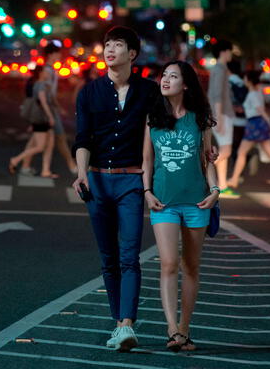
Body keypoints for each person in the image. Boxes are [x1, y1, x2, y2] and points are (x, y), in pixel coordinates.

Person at [72, 26, 159, 352]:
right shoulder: (89, 92)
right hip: (96, 180)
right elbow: (82, 139)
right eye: (107, 44)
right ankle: (118, 323)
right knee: (108, 258)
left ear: (132, 54)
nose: (110, 50)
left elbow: (165, 130)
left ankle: (127, 324)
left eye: (117, 45)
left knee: (129, 256)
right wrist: (81, 173)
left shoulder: (149, 92)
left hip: (131, 181)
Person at [142, 61, 219, 352]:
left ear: (185, 84)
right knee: (168, 263)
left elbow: (207, 161)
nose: (165, 80)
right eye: (164, 75)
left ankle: (185, 330)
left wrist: (215, 191)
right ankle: (172, 329)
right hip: (163, 202)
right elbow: (147, 161)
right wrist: (147, 191)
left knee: (191, 266)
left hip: (197, 202)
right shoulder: (153, 117)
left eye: (173, 76)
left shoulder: (200, 119)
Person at [20, 42, 77, 177]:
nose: (60, 56)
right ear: (51, 54)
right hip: (48, 110)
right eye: (58, 53)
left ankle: (25, 166)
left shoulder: (50, 69)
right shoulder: (47, 71)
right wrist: (55, 108)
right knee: (59, 138)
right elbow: (47, 93)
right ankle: (71, 166)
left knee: (37, 138)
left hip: (48, 109)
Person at [228, 70, 270, 189]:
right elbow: (257, 110)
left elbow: (260, 110)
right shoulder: (256, 93)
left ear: (249, 81)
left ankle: (234, 179)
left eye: (245, 78)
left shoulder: (253, 94)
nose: (244, 81)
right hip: (258, 124)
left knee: (242, 152)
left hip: (254, 124)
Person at [8, 65, 57, 176]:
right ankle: (15, 160)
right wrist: (50, 117)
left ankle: (46, 170)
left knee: (48, 144)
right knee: (40, 146)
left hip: (41, 119)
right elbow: (43, 103)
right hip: (41, 119)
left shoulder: (40, 85)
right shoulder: (40, 86)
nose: (47, 73)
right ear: (40, 73)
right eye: (45, 71)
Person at [207, 40, 239, 198]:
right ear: (224, 52)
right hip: (222, 114)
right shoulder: (220, 69)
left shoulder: (220, 69)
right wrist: (218, 117)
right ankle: (206, 179)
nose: (231, 54)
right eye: (230, 51)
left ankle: (222, 185)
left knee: (223, 150)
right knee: (226, 151)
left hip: (221, 113)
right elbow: (217, 95)